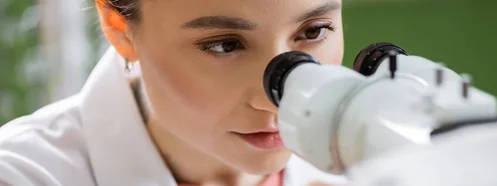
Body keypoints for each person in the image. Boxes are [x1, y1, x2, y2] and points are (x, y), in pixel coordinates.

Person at [0, 0, 346, 185]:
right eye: (224, 45)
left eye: (314, 31)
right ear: (119, 30)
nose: (275, 97)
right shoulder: (21, 176)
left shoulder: (378, 158)